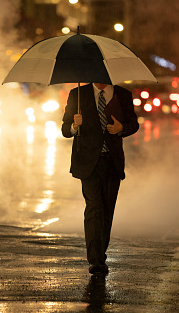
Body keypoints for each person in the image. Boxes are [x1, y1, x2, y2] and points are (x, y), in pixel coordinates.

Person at [61, 82, 139, 275]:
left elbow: (133, 124)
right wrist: (74, 125)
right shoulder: (78, 94)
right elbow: (64, 129)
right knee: (94, 208)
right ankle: (95, 260)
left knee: (107, 210)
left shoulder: (122, 94)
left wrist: (122, 128)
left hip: (112, 163)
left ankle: (100, 253)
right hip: (88, 164)